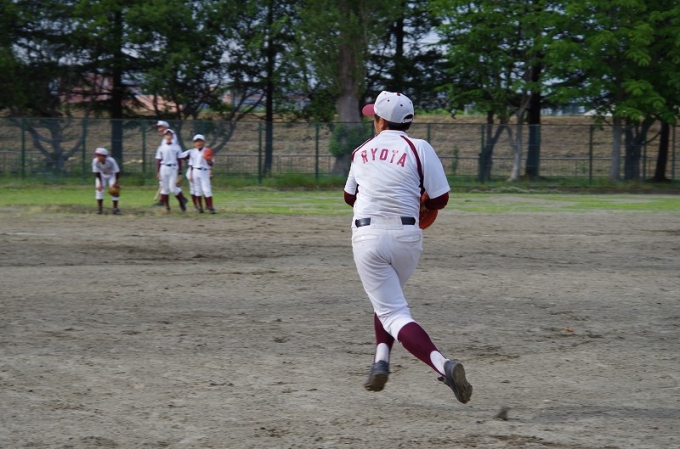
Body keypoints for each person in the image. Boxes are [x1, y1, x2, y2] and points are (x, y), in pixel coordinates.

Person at [343, 91, 473, 404]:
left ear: (380, 121)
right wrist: (421, 200)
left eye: (374, 116)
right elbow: (440, 199)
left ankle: (443, 365)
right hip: (407, 237)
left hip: (368, 236)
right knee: (389, 301)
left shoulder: (361, 150)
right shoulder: (420, 147)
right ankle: (381, 360)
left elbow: (349, 197)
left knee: (393, 312)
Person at [156, 129, 189, 212]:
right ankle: (167, 207)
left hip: (173, 168)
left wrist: (180, 172)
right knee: (165, 188)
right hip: (163, 167)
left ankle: (181, 202)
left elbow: (179, 160)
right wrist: (158, 172)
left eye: (170, 135)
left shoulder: (176, 147)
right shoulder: (161, 148)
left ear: (172, 137)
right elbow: (159, 160)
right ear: (164, 137)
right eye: (167, 135)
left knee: (172, 188)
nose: (168, 136)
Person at [153, 120, 182, 206]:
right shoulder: (163, 139)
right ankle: (163, 201)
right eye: (158, 127)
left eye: (161, 127)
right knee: (164, 184)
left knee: (172, 186)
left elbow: (173, 150)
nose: (159, 129)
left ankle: (182, 199)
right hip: (165, 166)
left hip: (172, 165)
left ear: (166, 127)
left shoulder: (172, 137)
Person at [186, 134, 216, 214]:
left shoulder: (207, 151)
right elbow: (191, 165)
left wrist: (208, 160)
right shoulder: (192, 152)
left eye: (200, 141)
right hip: (195, 171)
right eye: (196, 141)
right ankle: (200, 207)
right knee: (197, 189)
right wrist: (191, 174)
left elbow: (211, 164)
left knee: (206, 189)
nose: (198, 143)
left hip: (204, 171)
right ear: (194, 143)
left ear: (204, 142)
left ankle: (210, 207)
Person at [92, 147, 121, 215]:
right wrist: (100, 184)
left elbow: (117, 172)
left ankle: (115, 209)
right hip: (101, 175)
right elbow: (97, 172)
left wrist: (116, 182)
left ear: (104, 156)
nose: (97, 157)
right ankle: (100, 209)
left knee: (115, 191)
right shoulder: (95, 161)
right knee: (99, 190)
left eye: (99, 155)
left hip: (112, 175)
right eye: (97, 155)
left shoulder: (111, 160)